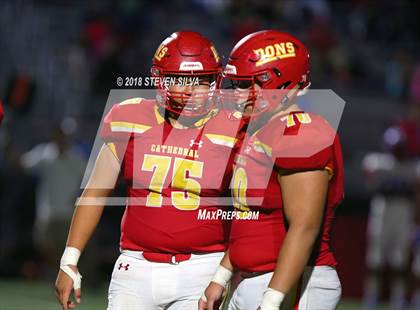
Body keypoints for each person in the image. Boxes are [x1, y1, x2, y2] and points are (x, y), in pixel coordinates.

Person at [54, 31, 242, 310]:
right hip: (135, 266)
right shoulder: (129, 117)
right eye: (180, 80)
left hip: (203, 267)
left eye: (201, 81)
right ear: (160, 79)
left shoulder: (235, 126)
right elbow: (96, 191)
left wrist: (227, 273)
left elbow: (247, 210)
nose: (190, 90)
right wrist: (69, 259)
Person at [200, 30, 344, 310]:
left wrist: (273, 299)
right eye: (237, 84)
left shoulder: (301, 132)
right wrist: (222, 275)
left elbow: (304, 227)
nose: (237, 94)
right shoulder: (256, 129)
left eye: (246, 85)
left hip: (294, 282)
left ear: (279, 83)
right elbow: (249, 220)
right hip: (254, 278)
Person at [362, 125, 419, 310]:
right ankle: (372, 297)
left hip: (403, 213)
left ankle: (398, 298)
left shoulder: (413, 167)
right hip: (382, 211)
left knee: (400, 261)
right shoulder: (378, 163)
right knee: (375, 260)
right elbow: (367, 180)